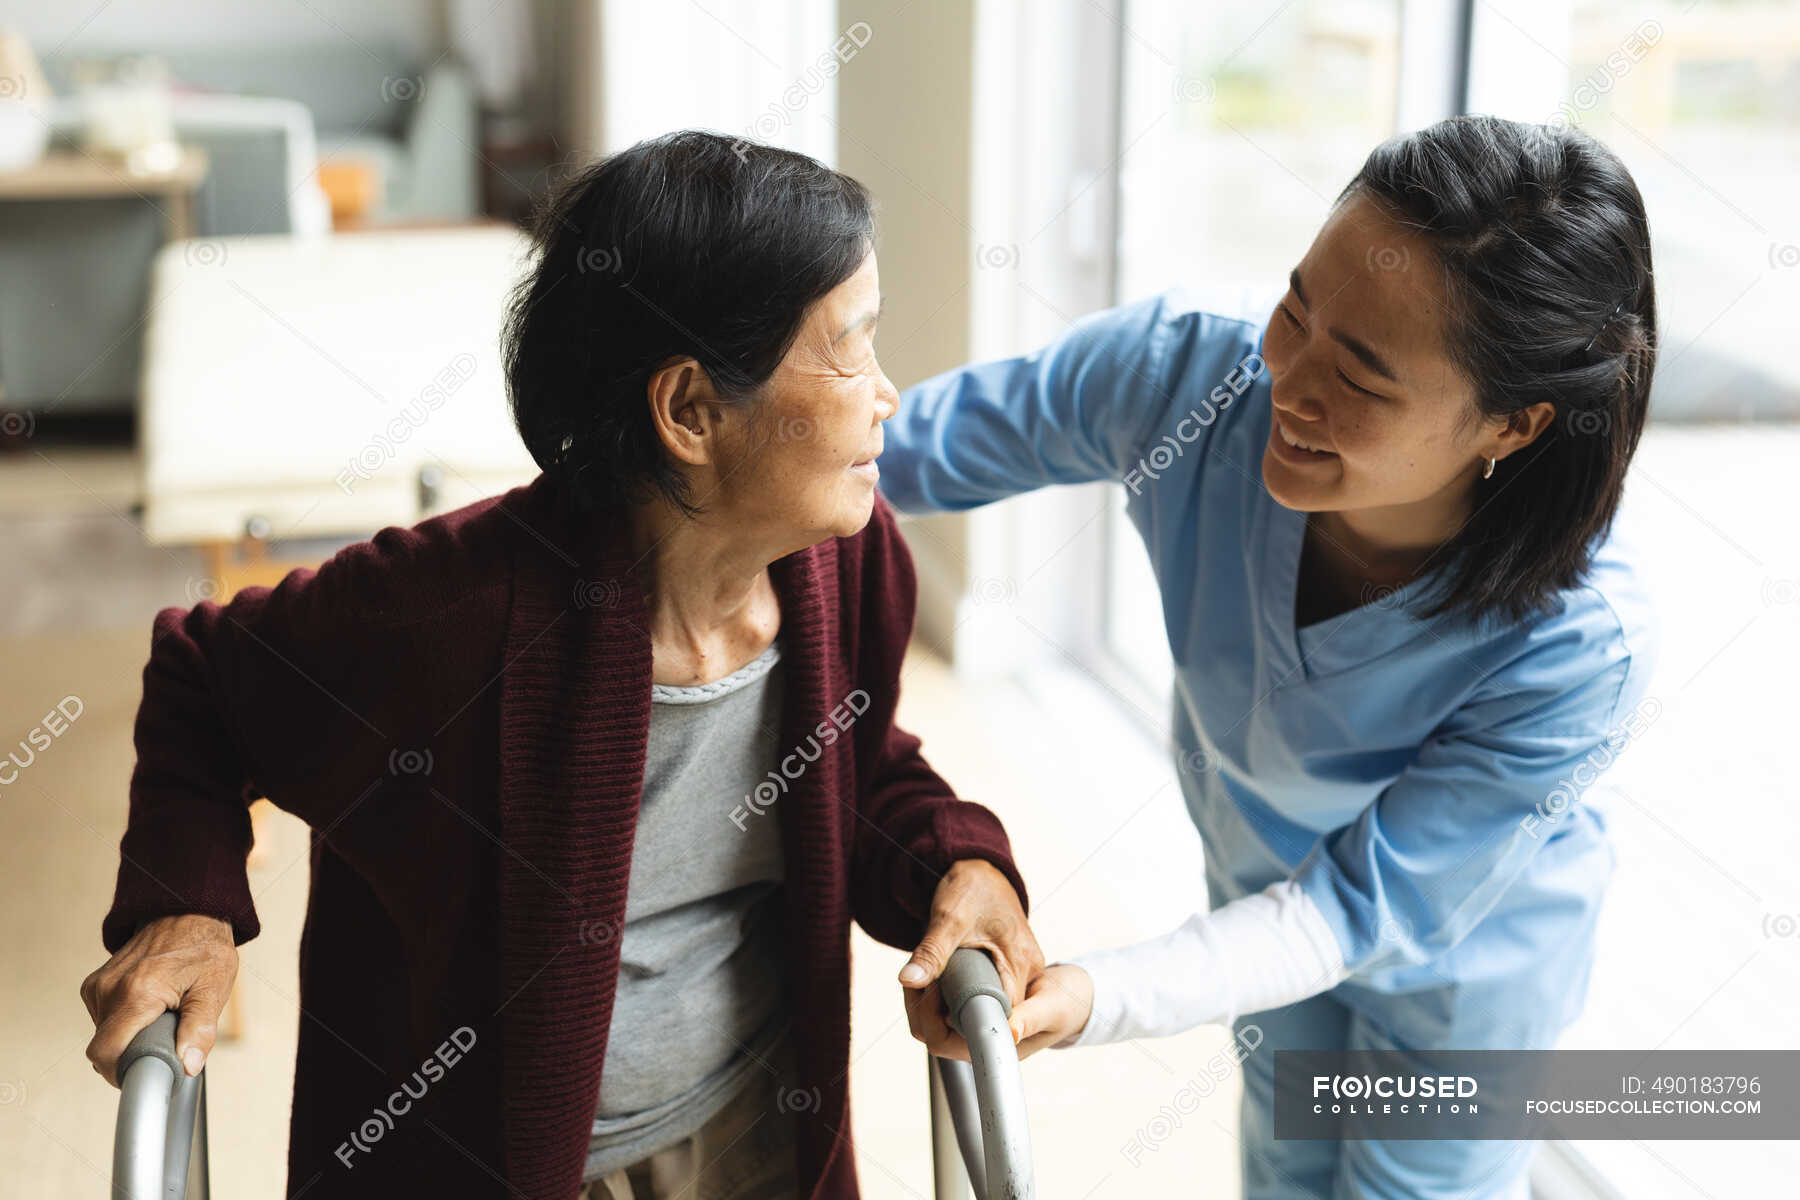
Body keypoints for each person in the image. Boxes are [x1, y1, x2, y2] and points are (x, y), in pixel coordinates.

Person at [81, 130, 1044, 1200]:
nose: (890, 394)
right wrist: (189, 905)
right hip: (494, 1161)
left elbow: (853, 770)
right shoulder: (445, 616)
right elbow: (203, 678)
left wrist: (955, 858)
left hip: (753, 1126)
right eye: (853, 349)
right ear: (689, 411)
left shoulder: (852, 566)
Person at [884, 115, 1658, 1198]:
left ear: (1512, 426)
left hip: (1465, 984)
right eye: (1297, 307)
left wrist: (1095, 996)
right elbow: (875, 463)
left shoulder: (1582, 646)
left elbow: (1352, 911)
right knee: (1286, 1170)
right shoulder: (1180, 378)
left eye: (1362, 375)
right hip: (1261, 900)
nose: (1285, 383)